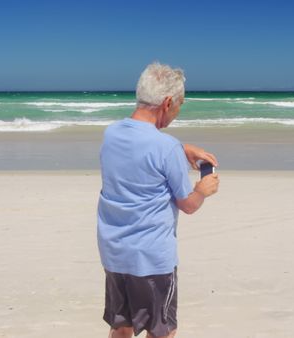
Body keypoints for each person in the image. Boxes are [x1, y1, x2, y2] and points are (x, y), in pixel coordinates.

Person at [97, 62, 220, 338]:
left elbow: (140, 147)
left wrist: (181, 148)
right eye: (179, 105)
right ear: (167, 103)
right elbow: (187, 204)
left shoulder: (111, 134)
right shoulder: (166, 148)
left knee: (121, 325)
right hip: (151, 259)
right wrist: (203, 189)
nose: (177, 112)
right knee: (162, 330)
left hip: (114, 253)